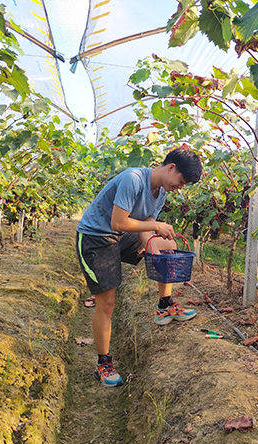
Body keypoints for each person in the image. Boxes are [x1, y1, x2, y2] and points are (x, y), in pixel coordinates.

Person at [75, 147, 203, 386]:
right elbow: (119, 222)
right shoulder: (132, 179)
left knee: (167, 245)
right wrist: (155, 229)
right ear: (171, 167)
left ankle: (164, 305)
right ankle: (103, 363)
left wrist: (161, 255)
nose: (180, 187)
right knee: (107, 301)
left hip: (119, 237)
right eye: (181, 181)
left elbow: (146, 226)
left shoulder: (161, 193)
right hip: (96, 238)